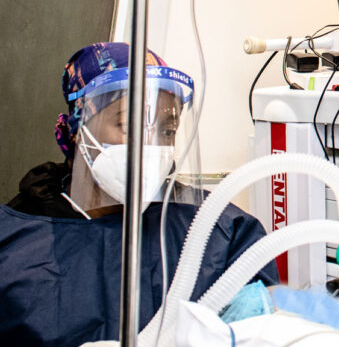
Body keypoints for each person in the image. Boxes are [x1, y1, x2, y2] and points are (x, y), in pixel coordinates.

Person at [0, 42, 278, 346]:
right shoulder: (15, 240)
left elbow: (263, 333)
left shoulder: (218, 230)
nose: (151, 145)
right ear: (79, 129)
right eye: (130, 124)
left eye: (167, 130)